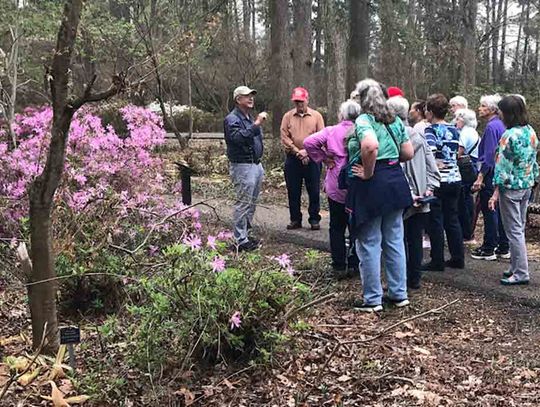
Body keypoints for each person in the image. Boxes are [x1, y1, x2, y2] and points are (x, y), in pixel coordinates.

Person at [345, 79, 414, 312]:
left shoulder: (364, 120)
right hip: (395, 182)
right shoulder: (394, 120)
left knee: (369, 242)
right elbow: (408, 152)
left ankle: (373, 299)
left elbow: (370, 146)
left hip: (373, 185)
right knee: (395, 240)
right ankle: (399, 294)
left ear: (362, 99)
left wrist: (368, 171)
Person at [304, 100, 362, 279]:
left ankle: (338, 265)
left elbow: (309, 142)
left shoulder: (331, 131)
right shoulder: (363, 131)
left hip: (336, 182)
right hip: (358, 183)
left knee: (336, 226)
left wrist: (322, 157)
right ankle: (355, 263)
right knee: (357, 227)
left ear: (341, 114)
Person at [388, 96, 441, 289]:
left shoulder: (391, 137)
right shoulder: (420, 136)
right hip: (421, 196)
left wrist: (411, 194)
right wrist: (428, 189)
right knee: (415, 238)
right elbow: (432, 168)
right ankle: (414, 279)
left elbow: (398, 170)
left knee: (397, 240)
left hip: (400, 198)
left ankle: (400, 280)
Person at [489, 96, 539, 285]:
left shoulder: (508, 136)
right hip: (527, 185)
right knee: (519, 228)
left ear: (507, 113)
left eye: (500, 110)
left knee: (514, 231)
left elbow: (501, 166)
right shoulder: (530, 131)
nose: (499, 113)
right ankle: (515, 265)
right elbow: (534, 159)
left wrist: (495, 191)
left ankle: (521, 272)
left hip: (510, 188)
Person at [422, 94, 465, 271]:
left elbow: (430, 152)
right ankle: (457, 257)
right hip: (455, 178)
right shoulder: (455, 129)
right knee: (452, 219)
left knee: (436, 220)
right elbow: (458, 152)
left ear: (431, 112)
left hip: (439, 180)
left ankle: (437, 260)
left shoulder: (430, 131)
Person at [224, 86, 267, 251]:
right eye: (246, 96)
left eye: (252, 96)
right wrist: (256, 124)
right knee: (243, 203)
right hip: (242, 165)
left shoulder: (248, 118)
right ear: (237, 99)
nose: (251, 98)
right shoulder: (232, 119)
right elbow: (237, 139)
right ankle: (239, 240)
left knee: (252, 202)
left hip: (255, 164)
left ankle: (245, 236)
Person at [280, 87, 325, 230]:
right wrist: (297, 151)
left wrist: (308, 151)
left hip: (312, 158)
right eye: (296, 102)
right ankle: (295, 219)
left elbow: (322, 136)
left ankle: (314, 218)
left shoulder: (316, 116)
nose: (299, 104)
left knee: (313, 190)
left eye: (301, 101)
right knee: (293, 190)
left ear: (307, 100)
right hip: (293, 157)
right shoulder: (288, 116)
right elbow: (284, 137)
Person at [471, 94, 509, 260]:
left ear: (492, 109)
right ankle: (502, 245)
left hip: (491, 173)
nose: (479, 108)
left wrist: (481, 176)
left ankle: (489, 247)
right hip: (500, 172)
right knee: (500, 210)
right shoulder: (502, 125)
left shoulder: (492, 127)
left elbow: (489, 155)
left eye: (483, 106)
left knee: (489, 210)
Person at [455, 108, 480, 243]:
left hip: (464, 168)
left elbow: (459, 152)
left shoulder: (465, 133)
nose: (456, 121)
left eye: (458, 118)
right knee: (467, 199)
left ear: (464, 120)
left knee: (462, 201)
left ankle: (466, 233)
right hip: (473, 166)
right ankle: (469, 231)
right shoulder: (474, 132)